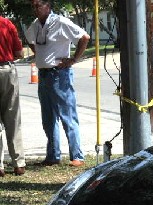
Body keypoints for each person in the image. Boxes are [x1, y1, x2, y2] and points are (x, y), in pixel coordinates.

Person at [25, 0, 90, 167]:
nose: (35, 9)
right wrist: (41, 55)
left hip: (59, 75)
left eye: (38, 5)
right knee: (48, 118)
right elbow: (30, 39)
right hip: (44, 75)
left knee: (67, 115)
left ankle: (77, 155)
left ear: (48, 6)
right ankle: (53, 155)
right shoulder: (36, 25)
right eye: (33, 6)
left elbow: (84, 37)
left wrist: (74, 59)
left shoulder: (60, 22)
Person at [0, 13, 26, 177]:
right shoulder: (7, 24)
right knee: (13, 117)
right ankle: (18, 163)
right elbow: (19, 52)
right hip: (7, 71)